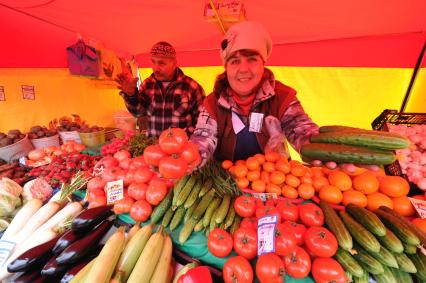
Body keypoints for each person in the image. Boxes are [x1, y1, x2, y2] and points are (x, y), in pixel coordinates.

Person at [190, 21, 319, 165]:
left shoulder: (282, 97)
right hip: (225, 183)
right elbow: (202, 138)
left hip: (275, 179)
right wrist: (192, 156)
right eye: (235, 61)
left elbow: (301, 129)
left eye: (252, 59)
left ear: (263, 64)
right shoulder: (213, 103)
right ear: (226, 68)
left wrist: (318, 151)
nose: (243, 69)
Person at [116, 41, 205, 137]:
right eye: (153, 62)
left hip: (180, 149)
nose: (155, 68)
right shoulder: (147, 85)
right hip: (153, 147)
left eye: (161, 63)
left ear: (174, 63)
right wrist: (131, 95)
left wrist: (187, 139)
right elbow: (139, 113)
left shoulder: (192, 87)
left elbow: (202, 124)